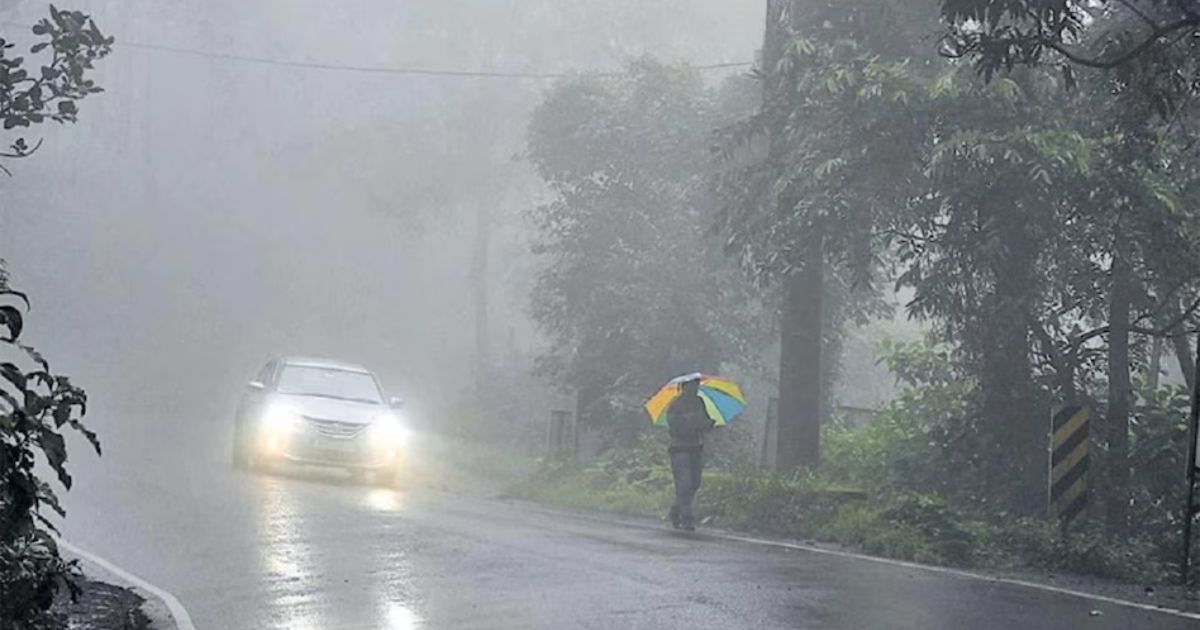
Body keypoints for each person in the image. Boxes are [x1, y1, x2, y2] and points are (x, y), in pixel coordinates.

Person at [666, 378, 715, 531]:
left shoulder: (699, 402)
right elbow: (674, 427)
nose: (695, 389)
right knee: (684, 483)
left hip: (695, 447)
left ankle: (676, 508)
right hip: (679, 448)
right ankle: (687, 517)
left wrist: (708, 424)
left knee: (695, 483)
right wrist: (691, 423)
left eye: (697, 386)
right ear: (684, 387)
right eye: (692, 386)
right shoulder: (675, 404)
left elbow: (704, 422)